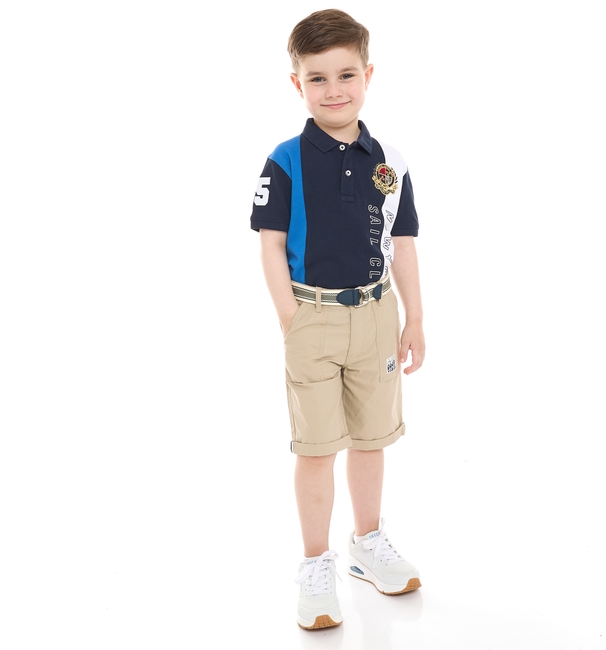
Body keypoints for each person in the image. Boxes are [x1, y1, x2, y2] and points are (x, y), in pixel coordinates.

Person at [250, 9, 425, 630]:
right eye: (317, 78)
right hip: (313, 319)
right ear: (296, 83)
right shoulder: (285, 160)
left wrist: (414, 319)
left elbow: (402, 244)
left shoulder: (390, 161)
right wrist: (290, 318)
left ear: (368, 75)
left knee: (372, 438)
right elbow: (271, 244)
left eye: (346, 74)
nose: (334, 90)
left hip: (376, 315)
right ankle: (315, 563)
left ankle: (367, 543)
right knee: (318, 446)